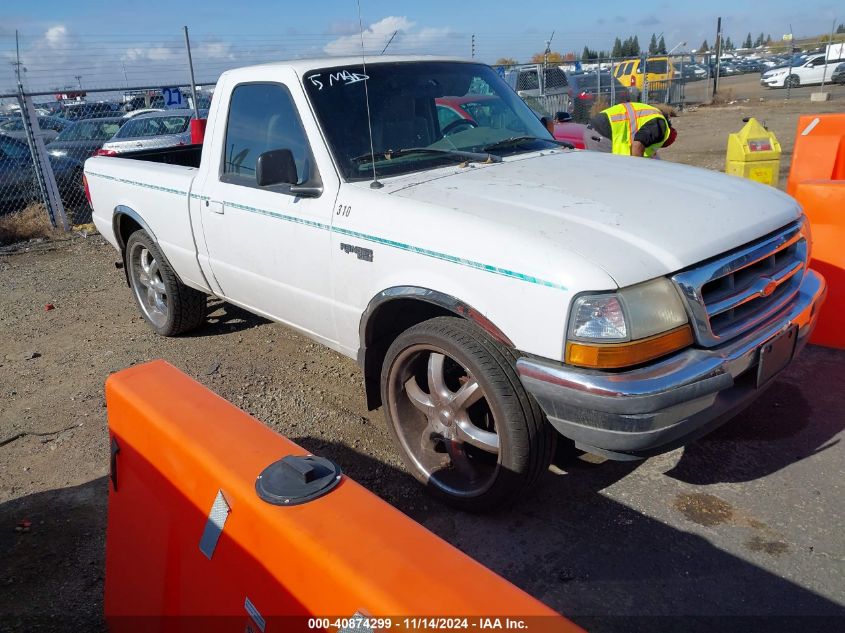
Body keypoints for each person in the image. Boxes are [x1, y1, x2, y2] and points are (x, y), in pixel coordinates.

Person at [583, 102, 677, 158]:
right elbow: (637, 145)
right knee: (609, 173)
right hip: (603, 133)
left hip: (595, 129)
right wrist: (637, 170)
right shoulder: (660, 125)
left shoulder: (652, 115)